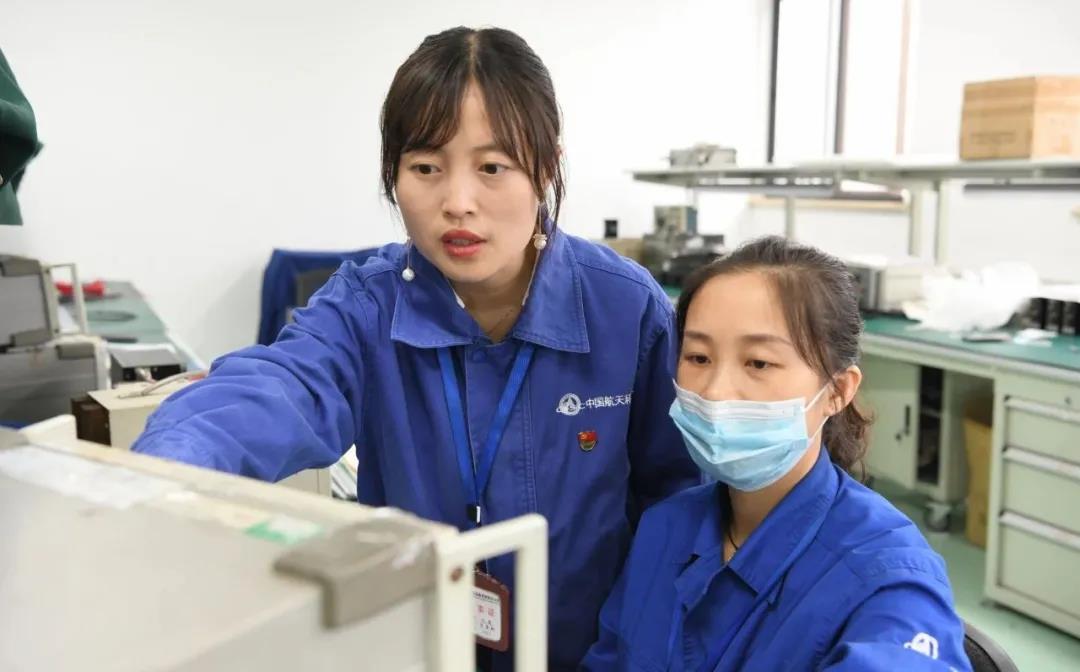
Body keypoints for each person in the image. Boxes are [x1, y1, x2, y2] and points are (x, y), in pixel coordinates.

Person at [132, 26, 698, 670]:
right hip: (415, 651)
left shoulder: (626, 309)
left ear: (546, 167)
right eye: (426, 168)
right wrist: (168, 466)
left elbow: (679, 507)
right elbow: (283, 385)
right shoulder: (367, 306)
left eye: (492, 167)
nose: (457, 203)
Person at [580, 236, 971, 671]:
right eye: (699, 357)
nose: (715, 391)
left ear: (838, 391)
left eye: (758, 363)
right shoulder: (665, 527)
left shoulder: (885, 576)